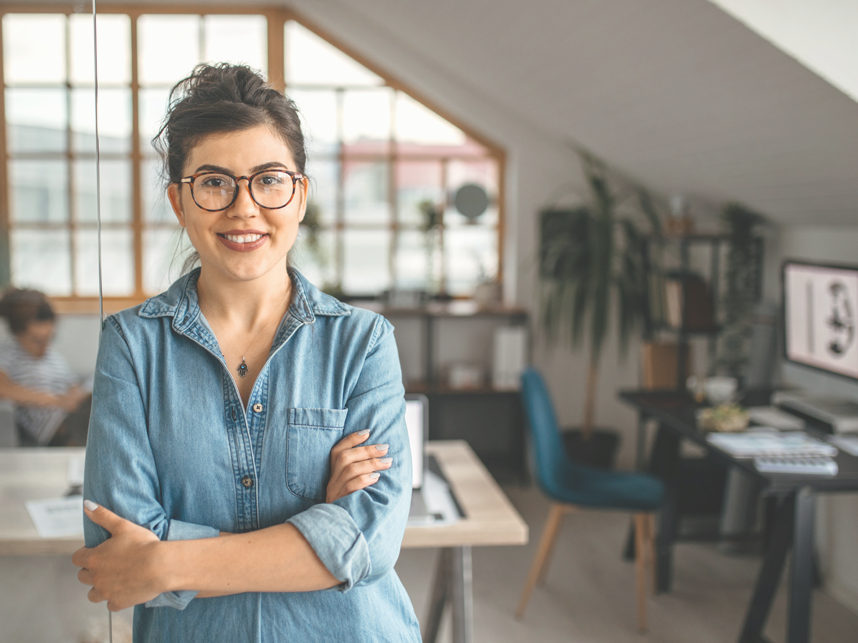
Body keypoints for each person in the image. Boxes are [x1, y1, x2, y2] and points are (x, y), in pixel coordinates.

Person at [72, 64, 420, 642]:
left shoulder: (363, 342)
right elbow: (117, 555)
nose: (244, 208)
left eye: (269, 179)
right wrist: (318, 533)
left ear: (300, 195)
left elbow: (370, 542)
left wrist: (165, 561)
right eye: (213, 182)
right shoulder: (131, 345)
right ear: (179, 203)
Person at [0, 288, 91, 446]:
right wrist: (56, 401)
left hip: (75, 415)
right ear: (18, 333)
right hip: (56, 428)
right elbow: (3, 387)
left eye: (49, 338)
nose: (44, 346)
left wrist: (76, 395)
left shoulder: (53, 357)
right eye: (36, 340)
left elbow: (74, 386)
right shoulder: (9, 352)